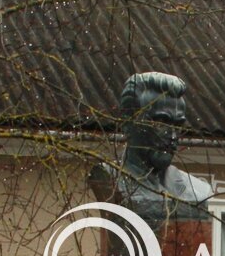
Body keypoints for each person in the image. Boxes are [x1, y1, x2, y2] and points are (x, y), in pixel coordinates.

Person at [91, 71, 213, 228]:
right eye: (161, 123)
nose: (173, 136)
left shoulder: (198, 191)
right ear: (128, 123)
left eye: (178, 126)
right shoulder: (109, 179)